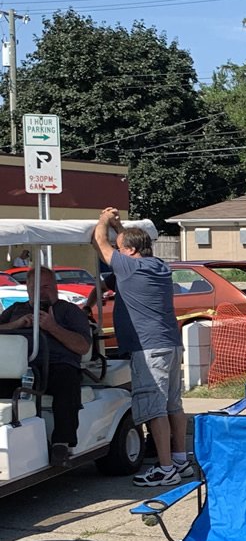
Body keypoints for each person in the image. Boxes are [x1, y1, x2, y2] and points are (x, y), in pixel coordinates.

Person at [88, 207, 189, 486]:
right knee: (173, 405)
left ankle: (165, 468)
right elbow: (126, 246)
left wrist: (104, 220)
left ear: (130, 252)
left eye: (122, 249)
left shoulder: (129, 267)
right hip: (169, 344)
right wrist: (121, 228)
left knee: (153, 408)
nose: (118, 254)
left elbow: (100, 243)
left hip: (148, 349)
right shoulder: (158, 266)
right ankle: (180, 460)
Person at [0, 266, 92, 464]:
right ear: (28, 289)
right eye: (36, 287)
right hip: (20, 368)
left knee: (67, 380)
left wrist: (52, 327)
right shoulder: (16, 309)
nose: (42, 291)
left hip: (57, 366)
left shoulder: (68, 311)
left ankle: (62, 442)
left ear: (56, 287)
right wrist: (14, 326)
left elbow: (83, 346)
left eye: (47, 286)